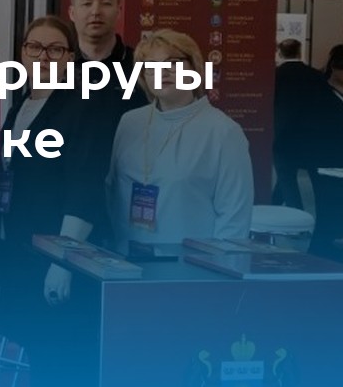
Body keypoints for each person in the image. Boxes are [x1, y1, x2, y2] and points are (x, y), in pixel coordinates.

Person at [0, 16, 110, 387]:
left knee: (61, 363)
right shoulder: (22, 104)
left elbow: (85, 186)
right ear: (22, 52)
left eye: (55, 49)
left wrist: (64, 260)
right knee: (36, 352)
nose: (43, 57)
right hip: (21, 251)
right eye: (34, 47)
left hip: (58, 257)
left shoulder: (83, 107)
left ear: (70, 57)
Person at [108, 29, 253, 251]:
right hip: (127, 258)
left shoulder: (223, 131)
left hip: (191, 263)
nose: (162, 71)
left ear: (195, 67)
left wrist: (217, 265)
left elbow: (234, 218)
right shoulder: (130, 123)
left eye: (173, 63)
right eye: (150, 66)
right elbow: (112, 190)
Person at [67, 0, 148, 109]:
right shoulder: (58, 66)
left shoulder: (141, 66)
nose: (96, 12)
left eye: (106, 4)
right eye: (87, 4)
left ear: (118, 12)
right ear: (72, 13)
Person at [300, 45, 343, 260]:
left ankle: (333, 255)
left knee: (341, 212)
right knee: (329, 213)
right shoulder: (319, 92)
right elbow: (316, 124)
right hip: (326, 162)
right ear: (334, 67)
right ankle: (323, 256)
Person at [272, 38, 324, 209]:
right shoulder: (316, 75)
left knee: (286, 176)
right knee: (288, 176)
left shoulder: (275, 76)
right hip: (311, 135)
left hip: (283, 135)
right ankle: (272, 204)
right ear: (300, 52)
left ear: (280, 53)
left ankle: (296, 213)